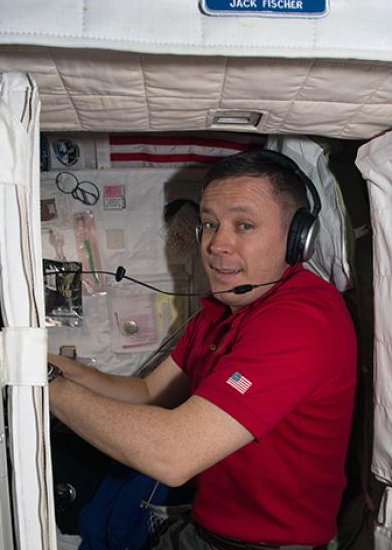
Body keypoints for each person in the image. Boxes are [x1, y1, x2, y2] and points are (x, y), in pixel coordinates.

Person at [48, 149, 357, 550]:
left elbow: (173, 456)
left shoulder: (304, 321)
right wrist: (50, 366)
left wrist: (44, 386)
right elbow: (147, 393)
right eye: (210, 224)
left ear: (298, 239)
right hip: (205, 529)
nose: (217, 244)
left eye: (244, 225)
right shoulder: (223, 306)